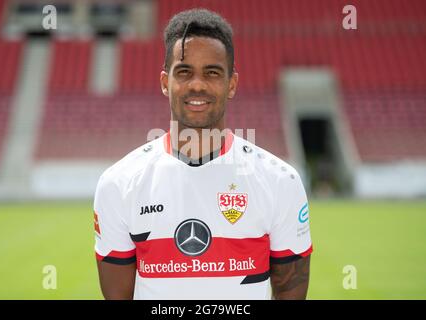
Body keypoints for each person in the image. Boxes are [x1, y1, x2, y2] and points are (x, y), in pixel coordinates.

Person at [94, 8, 313, 300]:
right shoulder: (118, 184)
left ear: (231, 84)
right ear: (164, 82)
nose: (197, 85)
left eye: (212, 73)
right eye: (184, 72)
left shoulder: (280, 181)